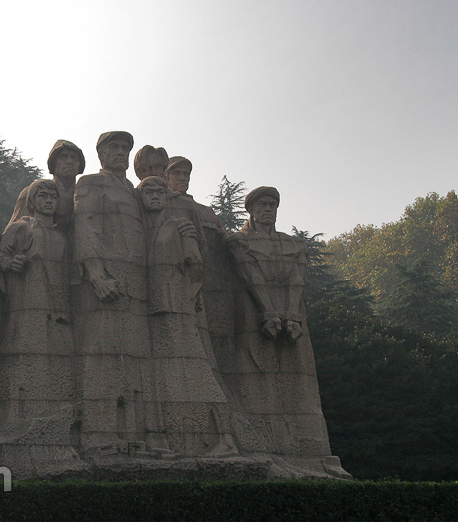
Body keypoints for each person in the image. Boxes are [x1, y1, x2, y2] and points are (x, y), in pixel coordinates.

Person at [224, 186, 332, 458]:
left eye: (272, 204)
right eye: (262, 205)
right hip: (254, 316)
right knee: (254, 377)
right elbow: (251, 276)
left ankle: (306, 448)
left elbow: (297, 279)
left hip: (292, 317)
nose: (268, 209)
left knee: (299, 383)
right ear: (250, 210)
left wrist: (293, 315)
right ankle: (259, 445)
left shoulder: (294, 244)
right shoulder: (239, 242)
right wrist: (269, 313)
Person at [138, 177, 238, 457]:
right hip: (157, 306)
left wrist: (191, 296)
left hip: (177, 304)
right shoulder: (146, 229)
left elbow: (196, 264)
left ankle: (226, 438)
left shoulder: (179, 225)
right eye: (149, 192)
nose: (155, 196)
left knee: (199, 372)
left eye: (160, 192)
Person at [72, 131, 156, 455]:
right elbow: (85, 227)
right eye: (114, 147)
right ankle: (99, 437)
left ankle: (132, 437)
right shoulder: (90, 183)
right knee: (102, 359)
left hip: (136, 283)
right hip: (104, 283)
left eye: (125, 148)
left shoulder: (136, 193)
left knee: (132, 363)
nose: (121, 153)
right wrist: (96, 275)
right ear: (101, 154)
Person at [0, 179, 75, 441]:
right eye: (43, 196)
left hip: (58, 305)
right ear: (32, 200)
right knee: (24, 355)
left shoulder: (62, 236)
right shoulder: (20, 228)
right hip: (25, 302)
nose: (49, 201)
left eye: (53, 196)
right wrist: (9, 263)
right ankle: (16, 416)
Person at [6, 139, 85, 231]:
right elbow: (14, 230)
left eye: (74, 157)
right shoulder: (31, 192)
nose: (69, 161)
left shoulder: (85, 194)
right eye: (63, 157)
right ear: (53, 162)